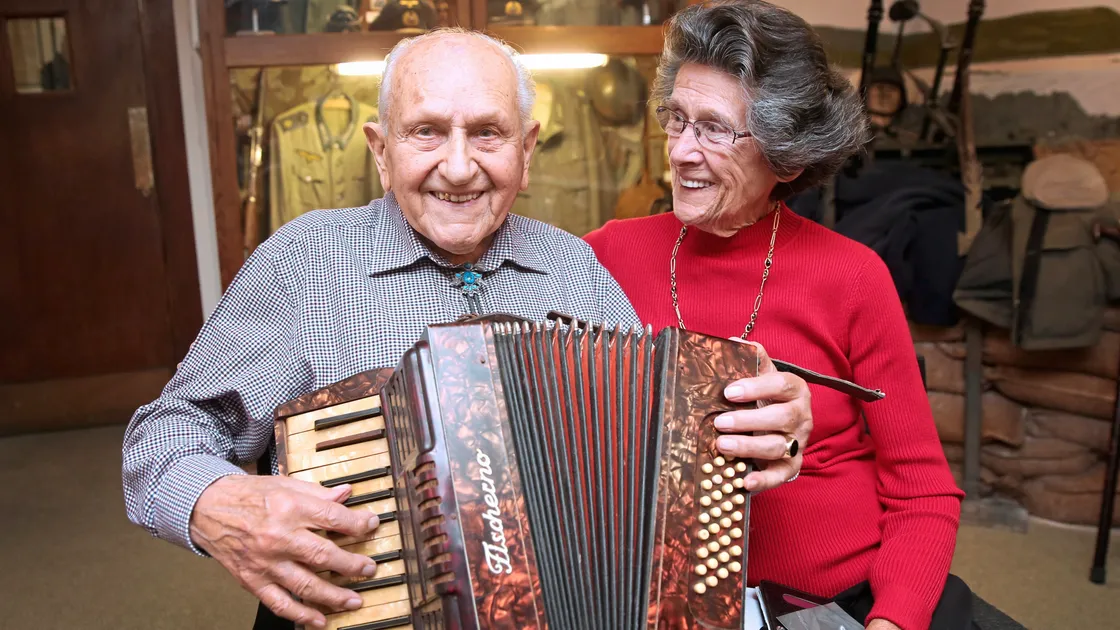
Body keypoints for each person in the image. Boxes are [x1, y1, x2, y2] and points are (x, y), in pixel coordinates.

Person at [122, 28, 813, 629]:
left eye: (487, 132)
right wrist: (217, 504)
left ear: (528, 147)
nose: (458, 167)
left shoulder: (575, 267)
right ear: (380, 149)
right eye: (426, 131)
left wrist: (761, 431)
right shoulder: (306, 262)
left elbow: (668, 464)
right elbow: (163, 436)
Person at [584, 2, 969, 630]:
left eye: (714, 129)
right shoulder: (604, 255)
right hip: (645, 600)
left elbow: (922, 489)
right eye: (676, 118)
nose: (680, 151)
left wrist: (892, 621)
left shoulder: (853, 275)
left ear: (788, 157)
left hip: (827, 603)